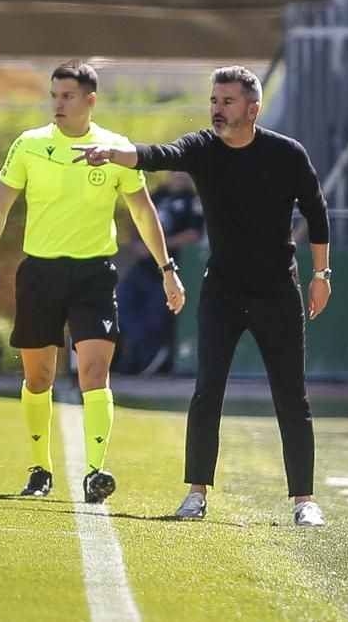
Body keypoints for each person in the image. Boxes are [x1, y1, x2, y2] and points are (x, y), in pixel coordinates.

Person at [71, 65, 332, 527]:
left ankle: (303, 500)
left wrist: (321, 273)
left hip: (277, 290)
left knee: (291, 396)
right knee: (207, 389)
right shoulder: (203, 148)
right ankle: (196, 493)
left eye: (227, 102)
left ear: (252, 109)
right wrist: (114, 152)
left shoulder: (286, 153)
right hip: (222, 291)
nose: (217, 108)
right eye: (214, 100)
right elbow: (158, 154)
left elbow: (315, 207)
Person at [0, 60, 185, 503]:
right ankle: (40, 470)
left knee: (95, 371)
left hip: (93, 275)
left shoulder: (116, 149)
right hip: (40, 274)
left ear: (91, 99)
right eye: (54, 95)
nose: (58, 104)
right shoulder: (29, 146)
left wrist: (168, 269)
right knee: (39, 378)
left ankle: (95, 473)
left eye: (67, 96)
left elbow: (143, 210)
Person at [113, 172, 204, 375]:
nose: (178, 176)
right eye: (174, 171)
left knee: (158, 315)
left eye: (182, 171)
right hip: (143, 267)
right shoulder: (157, 195)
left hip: (171, 271)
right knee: (120, 301)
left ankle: (153, 359)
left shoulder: (194, 201)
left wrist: (158, 246)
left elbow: (193, 234)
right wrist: (137, 243)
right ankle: (135, 355)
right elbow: (137, 215)